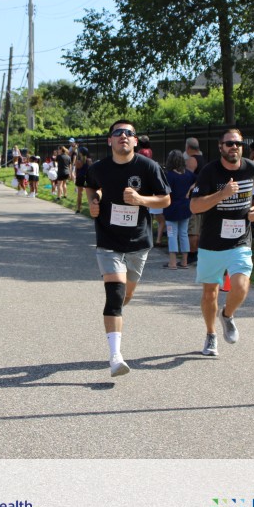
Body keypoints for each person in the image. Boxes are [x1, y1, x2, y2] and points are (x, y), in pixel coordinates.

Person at [84, 119, 171, 377]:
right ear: (110, 140)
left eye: (129, 133)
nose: (123, 135)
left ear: (135, 140)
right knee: (114, 295)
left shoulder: (148, 167)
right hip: (108, 240)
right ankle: (115, 356)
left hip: (137, 243)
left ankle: (116, 317)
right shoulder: (99, 168)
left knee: (125, 296)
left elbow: (166, 199)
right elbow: (91, 186)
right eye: (118, 132)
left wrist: (140, 199)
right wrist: (93, 202)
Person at [190, 129, 254, 357]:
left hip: (240, 241)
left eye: (238, 144)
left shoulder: (252, 168)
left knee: (241, 285)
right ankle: (211, 334)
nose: (234, 147)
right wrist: (221, 195)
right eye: (230, 143)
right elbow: (195, 206)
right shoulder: (209, 171)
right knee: (209, 294)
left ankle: (227, 315)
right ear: (220, 147)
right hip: (212, 242)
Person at [162, 150, 196, 269]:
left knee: (172, 234)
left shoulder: (169, 175)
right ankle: (184, 261)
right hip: (185, 207)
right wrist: (189, 190)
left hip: (171, 208)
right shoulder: (188, 174)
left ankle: (172, 262)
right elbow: (199, 180)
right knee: (183, 234)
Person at [184, 137, 205, 264]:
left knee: (193, 228)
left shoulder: (192, 160)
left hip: (194, 197)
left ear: (188, 147)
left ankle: (192, 254)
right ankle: (199, 252)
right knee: (200, 227)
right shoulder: (203, 159)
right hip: (204, 197)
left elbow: (188, 178)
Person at [73, 147, 91, 212]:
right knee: (89, 194)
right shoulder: (89, 160)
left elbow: (76, 170)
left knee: (79, 194)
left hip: (80, 177)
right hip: (87, 177)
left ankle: (79, 208)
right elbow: (90, 169)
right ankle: (90, 208)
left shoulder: (78, 161)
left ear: (80, 153)